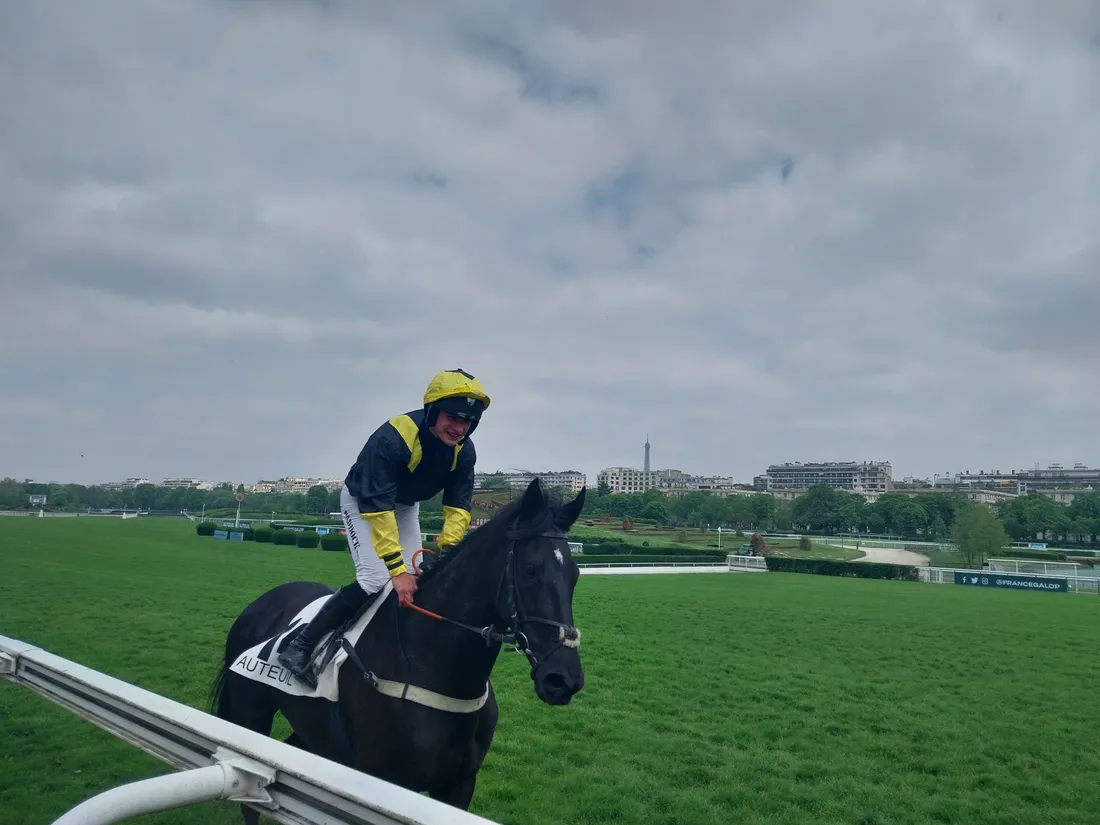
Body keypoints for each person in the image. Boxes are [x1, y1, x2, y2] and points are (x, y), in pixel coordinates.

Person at [277, 368, 490, 688]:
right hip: (365, 501)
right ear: (432, 409)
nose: (459, 428)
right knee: (377, 578)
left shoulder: (465, 450)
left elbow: (458, 507)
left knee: (418, 577)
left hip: (405, 505)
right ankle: (302, 643)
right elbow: (377, 509)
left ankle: (396, 646)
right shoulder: (394, 436)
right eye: (452, 418)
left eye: (467, 421)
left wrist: (447, 554)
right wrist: (395, 568)